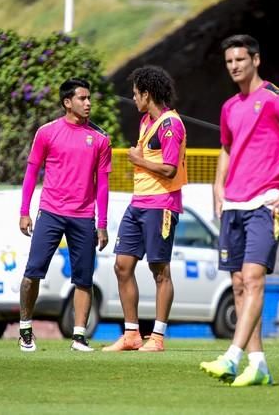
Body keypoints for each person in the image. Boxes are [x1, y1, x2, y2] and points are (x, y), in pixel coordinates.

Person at [200, 35, 279, 386]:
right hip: (233, 206)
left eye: (240, 59)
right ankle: (258, 365)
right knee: (239, 285)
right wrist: (217, 186)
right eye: (229, 62)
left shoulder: (273, 98)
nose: (234, 66)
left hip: (264, 204)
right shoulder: (229, 107)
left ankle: (231, 357)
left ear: (256, 60)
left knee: (254, 279)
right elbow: (226, 147)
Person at [18, 78, 112, 352]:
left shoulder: (100, 138)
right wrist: (24, 211)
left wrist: (102, 224)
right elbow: (31, 173)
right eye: (82, 98)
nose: (88, 103)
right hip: (50, 212)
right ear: (67, 102)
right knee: (32, 273)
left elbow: (103, 185)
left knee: (84, 279)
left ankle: (79, 336)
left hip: (83, 217)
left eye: (89, 98)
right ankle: (25, 329)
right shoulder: (47, 133)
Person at [102, 65, 187, 352]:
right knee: (121, 266)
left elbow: (169, 168)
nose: (133, 98)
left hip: (161, 205)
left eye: (135, 94)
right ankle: (132, 335)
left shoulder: (170, 125)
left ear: (147, 94)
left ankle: (158, 337)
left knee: (159, 270)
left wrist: (139, 161)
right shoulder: (145, 122)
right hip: (138, 203)